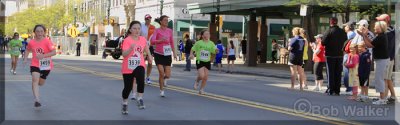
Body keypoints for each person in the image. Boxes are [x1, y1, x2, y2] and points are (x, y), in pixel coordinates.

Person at [120, 21, 153, 114]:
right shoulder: (127, 40)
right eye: (134, 28)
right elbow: (124, 54)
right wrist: (130, 48)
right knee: (128, 88)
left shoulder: (142, 39)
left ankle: (140, 98)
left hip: (139, 64)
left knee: (141, 80)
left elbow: (146, 48)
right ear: (130, 30)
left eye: (138, 28)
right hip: (128, 66)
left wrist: (150, 56)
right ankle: (125, 103)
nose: (137, 30)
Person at [23, 25, 56, 108]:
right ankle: (37, 100)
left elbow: (54, 52)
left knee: (40, 83)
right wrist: (25, 59)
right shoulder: (31, 42)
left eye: (41, 31)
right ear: (34, 32)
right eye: (37, 31)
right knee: (35, 79)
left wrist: (43, 55)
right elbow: (27, 50)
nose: (39, 33)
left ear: (44, 32)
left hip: (46, 65)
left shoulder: (47, 41)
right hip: (35, 64)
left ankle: (36, 85)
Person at [358, 21, 389, 105]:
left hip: (381, 60)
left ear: (380, 28)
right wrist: (364, 34)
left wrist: (364, 35)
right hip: (381, 59)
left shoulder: (381, 36)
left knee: (379, 79)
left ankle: (382, 99)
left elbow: (369, 45)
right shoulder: (380, 36)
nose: (374, 28)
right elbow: (371, 42)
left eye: (376, 26)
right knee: (380, 79)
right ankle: (382, 97)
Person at [150, 15, 177, 97]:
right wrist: (160, 40)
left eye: (167, 20)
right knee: (161, 73)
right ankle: (161, 90)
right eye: (165, 20)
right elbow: (152, 41)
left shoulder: (169, 31)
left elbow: (172, 42)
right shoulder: (157, 30)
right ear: (161, 22)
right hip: (158, 54)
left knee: (168, 75)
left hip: (167, 54)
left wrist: (174, 52)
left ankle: (165, 79)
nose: (166, 21)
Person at [322, 17, 347, 95]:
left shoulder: (329, 31)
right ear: (337, 22)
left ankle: (331, 89)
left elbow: (323, 42)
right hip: (339, 55)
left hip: (330, 55)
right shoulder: (342, 32)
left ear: (331, 22)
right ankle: (337, 89)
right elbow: (345, 42)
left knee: (330, 72)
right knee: (338, 72)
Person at [190, 30, 218, 94]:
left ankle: (201, 89)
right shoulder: (199, 43)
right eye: (206, 33)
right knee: (202, 76)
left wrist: (216, 51)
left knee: (206, 77)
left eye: (209, 33)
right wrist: (191, 54)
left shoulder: (211, 43)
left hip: (207, 61)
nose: (208, 34)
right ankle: (197, 81)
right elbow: (192, 49)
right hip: (200, 60)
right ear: (203, 36)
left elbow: (214, 50)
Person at [376, 14, 396, 103]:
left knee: (384, 78)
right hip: (390, 58)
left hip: (386, 58)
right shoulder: (391, 30)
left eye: (380, 21)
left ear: (385, 21)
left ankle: (384, 98)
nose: (378, 22)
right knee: (387, 78)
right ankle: (392, 96)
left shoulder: (388, 33)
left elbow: (387, 47)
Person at [342, 21, 357, 95]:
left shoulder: (350, 34)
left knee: (347, 71)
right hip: (350, 54)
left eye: (346, 26)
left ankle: (349, 88)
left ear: (349, 27)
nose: (345, 28)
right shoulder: (353, 33)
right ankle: (350, 88)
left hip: (348, 54)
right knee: (349, 71)